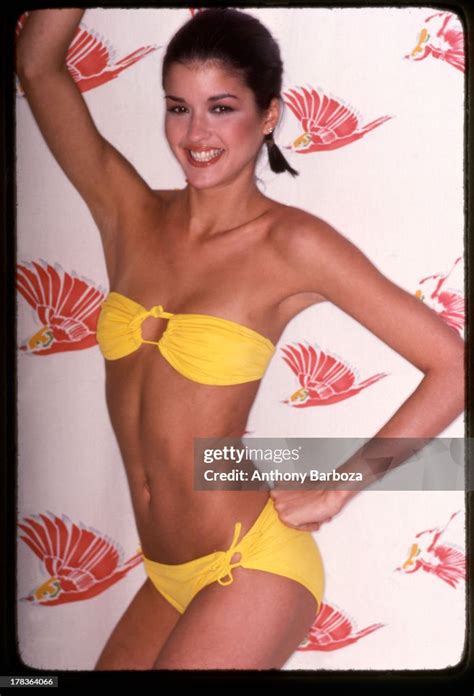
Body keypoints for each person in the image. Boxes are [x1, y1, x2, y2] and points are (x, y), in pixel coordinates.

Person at [16, 7, 464, 671]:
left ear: (269, 115)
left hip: (251, 562)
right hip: (168, 577)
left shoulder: (292, 245)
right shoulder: (129, 214)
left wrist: (339, 485)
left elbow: (452, 364)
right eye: (178, 107)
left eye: (221, 107)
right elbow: (36, 65)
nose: (195, 134)